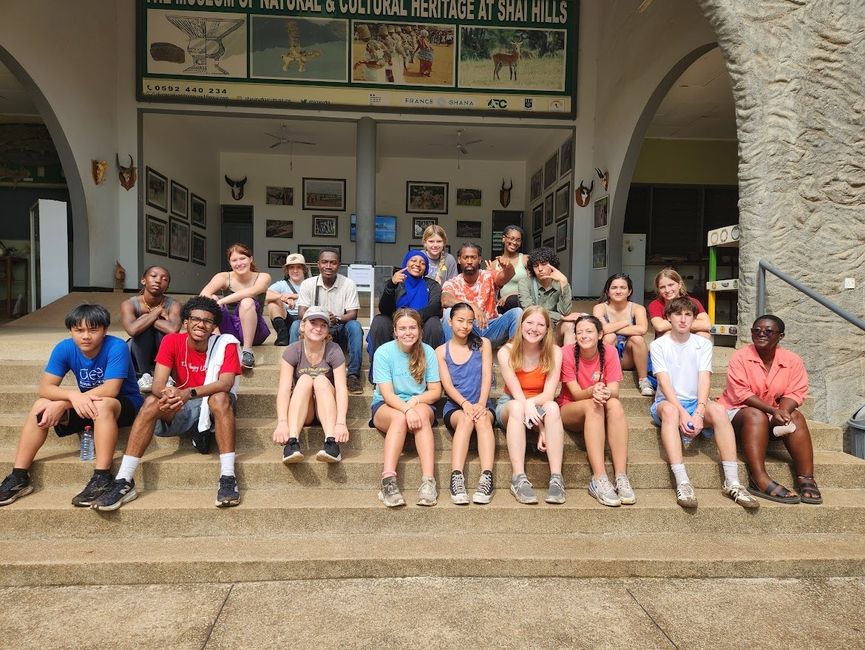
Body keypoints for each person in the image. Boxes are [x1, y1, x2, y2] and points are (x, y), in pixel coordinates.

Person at [91, 297, 243, 511]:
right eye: (195, 319)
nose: (201, 324)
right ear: (185, 323)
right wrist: (169, 393)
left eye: (208, 321)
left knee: (220, 398)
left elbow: (225, 383)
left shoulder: (225, 344)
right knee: (153, 401)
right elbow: (157, 384)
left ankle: (228, 476)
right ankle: (124, 480)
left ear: (214, 326)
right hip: (181, 403)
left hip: (211, 402)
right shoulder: (172, 341)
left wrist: (187, 393)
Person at [0, 304, 143, 507]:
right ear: (71, 331)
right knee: (41, 405)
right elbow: (45, 388)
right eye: (79, 330)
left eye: (93, 330)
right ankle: (19, 477)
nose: (86, 336)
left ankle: (102, 477)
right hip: (86, 403)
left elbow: (111, 389)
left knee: (103, 404)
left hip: (123, 405)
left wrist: (65, 403)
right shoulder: (65, 348)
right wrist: (71, 397)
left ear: (104, 330)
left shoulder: (116, 346)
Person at [650, 297, 758, 510]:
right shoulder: (658, 345)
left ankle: (733, 482)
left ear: (693, 318)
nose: (682, 319)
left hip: (696, 401)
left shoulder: (703, 344)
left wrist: (699, 411)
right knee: (671, 412)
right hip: (668, 402)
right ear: (668, 318)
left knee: (718, 410)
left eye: (688, 315)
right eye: (677, 314)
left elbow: (704, 378)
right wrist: (683, 413)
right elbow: (664, 382)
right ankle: (682, 481)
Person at [718, 315, 820, 504]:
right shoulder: (740, 357)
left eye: (768, 331)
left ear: (780, 336)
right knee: (756, 415)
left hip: (770, 415)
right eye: (756, 330)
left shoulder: (792, 360)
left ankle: (806, 478)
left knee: (796, 417)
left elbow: (796, 391)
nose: (761, 334)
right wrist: (774, 411)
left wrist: (783, 410)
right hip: (737, 414)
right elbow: (741, 394)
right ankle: (759, 479)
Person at [559, 315, 634, 507]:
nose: (584, 336)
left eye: (589, 331)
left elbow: (615, 390)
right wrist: (594, 391)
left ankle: (621, 476)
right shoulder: (567, 353)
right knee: (594, 404)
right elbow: (575, 394)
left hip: (599, 402)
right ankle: (599, 478)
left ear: (600, 334)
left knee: (615, 404)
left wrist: (604, 391)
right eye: (579, 332)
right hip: (570, 409)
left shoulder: (609, 352)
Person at [496, 306, 566, 505]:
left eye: (540, 324)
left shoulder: (554, 351)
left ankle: (556, 478)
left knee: (552, 407)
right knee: (519, 407)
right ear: (520, 325)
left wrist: (541, 424)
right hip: (511, 404)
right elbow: (518, 397)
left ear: (547, 329)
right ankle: (518, 477)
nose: (534, 328)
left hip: (540, 402)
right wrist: (541, 427)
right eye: (529, 323)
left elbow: (549, 394)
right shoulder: (506, 352)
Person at [372, 309, 442, 508]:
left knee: (420, 412)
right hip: (386, 405)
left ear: (420, 330)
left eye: (412, 327)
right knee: (400, 418)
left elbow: (436, 391)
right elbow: (387, 394)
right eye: (402, 328)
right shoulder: (384, 352)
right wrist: (407, 409)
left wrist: (415, 402)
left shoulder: (427, 351)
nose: (408, 332)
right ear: (394, 331)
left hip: (419, 404)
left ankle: (429, 481)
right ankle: (388, 481)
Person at [436, 302, 495, 505]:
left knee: (483, 420)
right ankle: (456, 476)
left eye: (470, 322)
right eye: (460, 321)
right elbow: (447, 385)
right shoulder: (441, 351)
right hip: (455, 407)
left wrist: (480, 403)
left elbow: (487, 375)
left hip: (482, 402)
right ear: (450, 322)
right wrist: (465, 404)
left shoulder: (483, 344)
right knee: (466, 420)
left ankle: (487, 476)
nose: (465, 326)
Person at [273, 307, 349, 465]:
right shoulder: (293, 350)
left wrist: (341, 423)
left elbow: (341, 389)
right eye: (313, 323)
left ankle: (331, 442)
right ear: (302, 325)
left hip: (327, 408)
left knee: (321, 380)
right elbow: (284, 390)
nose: (318, 328)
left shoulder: (334, 350)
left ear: (328, 330)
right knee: (305, 379)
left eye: (323, 325)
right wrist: (282, 422)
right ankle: (292, 442)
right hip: (303, 410)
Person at [290, 248, 364, 394]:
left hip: (338, 328)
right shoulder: (308, 284)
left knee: (355, 326)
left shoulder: (348, 284)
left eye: (333, 263)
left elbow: (353, 314)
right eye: (324, 262)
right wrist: (318, 317)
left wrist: (337, 318)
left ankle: (353, 375)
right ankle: (294, 374)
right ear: (318, 264)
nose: (328, 266)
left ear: (339, 265)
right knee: (296, 325)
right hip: (316, 329)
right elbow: (301, 313)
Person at [367, 250, 443, 379]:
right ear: (405, 263)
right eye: (413, 260)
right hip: (395, 322)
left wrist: (412, 318)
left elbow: (436, 307)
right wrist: (391, 285)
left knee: (434, 323)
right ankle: (378, 375)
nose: (417, 264)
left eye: (422, 262)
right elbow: (384, 309)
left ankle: (430, 375)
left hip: (421, 323)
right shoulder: (395, 282)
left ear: (426, 268)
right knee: (380, 321)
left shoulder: (432, 285)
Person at [200, 243, 272, 369]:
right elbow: (203, 294)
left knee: (247, 301)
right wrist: (216, 327)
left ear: (250, 259)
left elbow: (251, 292)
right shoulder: (223, 277)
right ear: (230, 263)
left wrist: (221, 302)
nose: (239, 263)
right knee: (211, 298)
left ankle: (247, 352)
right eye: (234, 260)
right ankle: (216, 341)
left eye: (242, 258)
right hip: (228, 329)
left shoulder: (263, 277)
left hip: (254, 331)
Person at [441, 242, 522, 348]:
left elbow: (506, 276)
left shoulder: (488, 275)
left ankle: (515, 357)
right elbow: (445, 300)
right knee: (448, 313)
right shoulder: (452, 282)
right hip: (468, 331)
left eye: (473, 257)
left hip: (492, 328)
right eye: (466, 257)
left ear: (479, 260)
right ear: (459, 260)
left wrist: (508, 267)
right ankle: (453, 355)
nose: (469, 261)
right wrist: (471, 307)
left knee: (517, 312)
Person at [121, 265, 182, 391]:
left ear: (168, 286)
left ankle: (166, 376)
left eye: (164, 279)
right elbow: (132, 330)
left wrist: (144, 319)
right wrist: (157, 313)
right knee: (143, 331)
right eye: (153, 276)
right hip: (138, 352)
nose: (158, 280)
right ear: (143, 280)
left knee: (162, 332)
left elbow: (173, 330)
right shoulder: (129, 304)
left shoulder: (174, 305)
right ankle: (145, 376)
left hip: (163, 351)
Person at [593, 272, 653, 396]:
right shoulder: (600, 308)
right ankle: (602, 377)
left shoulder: (637, 308)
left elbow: (642, 329)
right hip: (608, 355)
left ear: (629, 291)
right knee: (609, 336)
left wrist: (611, 327)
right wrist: (625, 323)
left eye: (623, 288)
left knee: (637, 338)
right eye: (614, 288)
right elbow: (602, 329)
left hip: (628, 357)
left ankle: (644, 380)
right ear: (608, 291)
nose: (618, 291)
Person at [518, 246, 581, 345]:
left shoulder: (561, 282)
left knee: (569, 325)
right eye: (535, 265)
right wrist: (560, 317)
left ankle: (568, 359)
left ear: (552, 265)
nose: (540, 269)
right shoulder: (525, 283)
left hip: (554, 329)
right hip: (534, 328)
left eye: (544, 264)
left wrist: (564, 283)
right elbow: (530, 309)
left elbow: (565, 312)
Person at [648, 268, 711, 339]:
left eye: (671, 285)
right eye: (662, 287)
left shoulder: (693, 302)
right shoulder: (655, 304)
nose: (667, 290)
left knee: (704, 334)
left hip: (690, 339)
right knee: (668, 334)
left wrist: (672, 324)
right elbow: (660, 327)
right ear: (658, 289)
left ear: (679, 284)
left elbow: (706, 324)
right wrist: (689, 323)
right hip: (667, 343)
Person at [265, 253, 307, 347]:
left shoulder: (310, 283)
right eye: (291, 267)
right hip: (287, 320)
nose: (295, 271)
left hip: (305, 320)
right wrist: (282, 297)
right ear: (287, 270)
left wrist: (294, 296)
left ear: (304, 269)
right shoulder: (282, 284)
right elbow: (264, 294)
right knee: (273, 302)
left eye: (298, 267)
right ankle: (283, 336)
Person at [490, 225, 529, 313]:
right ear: (504, 239)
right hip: (501, 305)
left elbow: (532, 286)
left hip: (521, 302)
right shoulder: (494, 264)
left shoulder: (525, 259)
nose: (514, 242)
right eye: (511, 238)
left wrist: (510, 295)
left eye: (518, 240)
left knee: (512, 300)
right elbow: (491, 290)